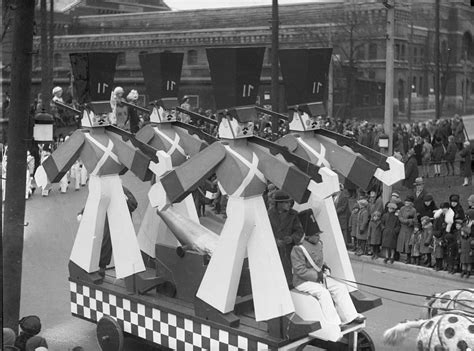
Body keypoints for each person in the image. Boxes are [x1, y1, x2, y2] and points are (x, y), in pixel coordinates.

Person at [290, 229, 365, 326]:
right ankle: (334, 323)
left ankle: (350, 316)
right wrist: (318, 275)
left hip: (318, 279)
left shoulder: (318, 244)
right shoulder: (298, 248)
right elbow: (299, 270)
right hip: (303, 282)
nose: (319, 237)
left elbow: (318, 261)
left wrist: (325, 267)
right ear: (308, 236)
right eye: (316, 235)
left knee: (340, 287)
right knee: (323, 293)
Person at [268, 190, 304, 287]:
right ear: (278, 203)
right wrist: (275, 241)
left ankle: (289, 287)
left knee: (288, 274)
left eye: (289, 202)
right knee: (274, 273)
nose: (289, 204)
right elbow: (265, 231)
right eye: (286, 202)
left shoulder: (294, 214)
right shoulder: (269, 214)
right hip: (274, 250)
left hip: (288, 250)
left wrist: (292, 238)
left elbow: (299, 231)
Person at [397, 195, 417, 264]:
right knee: (401, 243)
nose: (406, 203)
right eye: (406, 202)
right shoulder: (402, 208)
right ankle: (399, 255)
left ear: (411, 203)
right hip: (403, 228)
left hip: (409, 228)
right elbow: (399, 217)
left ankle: (408, 258)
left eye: (408, 202)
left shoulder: (413, 210)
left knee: (408, 244)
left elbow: (415, 219)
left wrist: (410, 221)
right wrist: (405, 221)